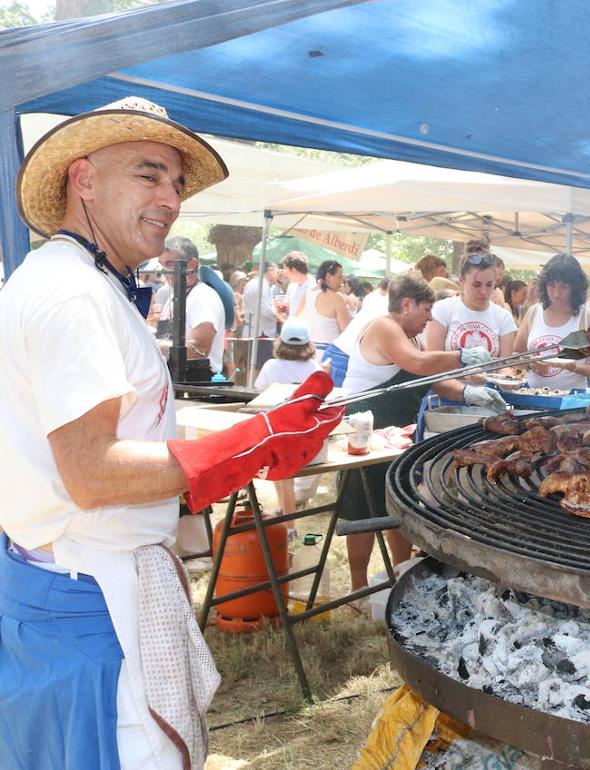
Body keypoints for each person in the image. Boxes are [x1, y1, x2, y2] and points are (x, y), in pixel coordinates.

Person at [0, 96, 341, 770]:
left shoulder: (72, 278)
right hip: (92, 595)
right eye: (149, 175)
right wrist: (243, 446)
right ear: (84, 178)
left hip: (59, 582)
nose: (171, 198)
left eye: (177, 183)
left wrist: (248, 437)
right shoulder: (75, 294)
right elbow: (92, 473)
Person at [337, 270, 501, 591]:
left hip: (397, 435)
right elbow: (418, 363)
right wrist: (462, 356)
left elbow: (429, 378)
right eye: (427, 310)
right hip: (364, 432)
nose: (430, 317)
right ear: (407, 304)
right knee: (360, 513)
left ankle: (398, 579)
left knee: (401, 508)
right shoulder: (384, 326)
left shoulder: (410, 335)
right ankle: (358, 590)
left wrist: (467, 393)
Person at [252, 319, 322, 516]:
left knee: (284, 479)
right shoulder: (314, 367)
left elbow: (258, 394)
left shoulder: (271, 366)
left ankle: (289, 524)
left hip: (276, 430)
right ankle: (285, 512)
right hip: (305, 431)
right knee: (283, 478)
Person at [513, 254, 590, 391]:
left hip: (571, 402)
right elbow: (516, 354)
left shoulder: (588, 319)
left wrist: (574, 368)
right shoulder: (534, 313)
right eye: (551, 286)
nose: (556, 293)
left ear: (575, 288)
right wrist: (531, 364)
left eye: (564, 287)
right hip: (532, 396)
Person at [426, 249, 517, 359]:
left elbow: (504, 365)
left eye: (489, 285)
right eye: (476, 285)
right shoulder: (442, 309)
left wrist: (507, 375)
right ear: (462, 281)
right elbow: (433, 361)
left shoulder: (504, 317)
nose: (483, 291)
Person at [159, 236, 227, 374]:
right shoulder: (175, 295)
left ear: (192, 264)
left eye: (170, 264)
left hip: (195, 387)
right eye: (161, 264)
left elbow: (199, 350)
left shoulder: (203, 297)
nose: (163, 271)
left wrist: (153, 345)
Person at [296, 259, 351, 352]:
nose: (342, 282)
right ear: (329, 276)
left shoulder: (306, 295)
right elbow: (347, 331)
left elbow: (296, 321)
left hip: (306, 351)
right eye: (340, 277)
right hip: (328, 354)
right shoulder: (337, 298)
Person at [241, 260, 280, 369]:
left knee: (254, 367)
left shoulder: (253, 283)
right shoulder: (261, 285)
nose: (278, 275)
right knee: (262, 367)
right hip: (261, 333)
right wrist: (279, 314)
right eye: (277, 272)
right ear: (270, 271)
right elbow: (266, 311)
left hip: (254, 330)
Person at [280, 251, 310, 319]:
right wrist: (281, 310)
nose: (284, 273)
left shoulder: (314, 287)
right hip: (293, 328)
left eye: (285, 269)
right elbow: (286, 309)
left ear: (294, 270)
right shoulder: (291, 286)